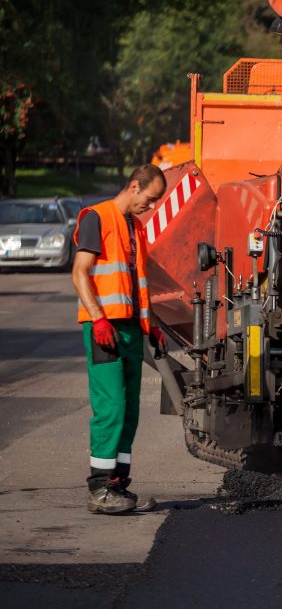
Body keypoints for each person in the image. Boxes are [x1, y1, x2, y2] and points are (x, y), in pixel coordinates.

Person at [72, 164, 168, 514]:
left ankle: (118, 486)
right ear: (134, 186)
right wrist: (98, 320)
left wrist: (152, 325)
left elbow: (138, 286)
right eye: (151, 198)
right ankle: (99, 489)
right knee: (110, 407)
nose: (152, 206)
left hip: (129, 329)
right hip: (105, 329)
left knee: (129, 411)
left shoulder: (135, 228)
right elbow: (79, 273)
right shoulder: (97, 217)